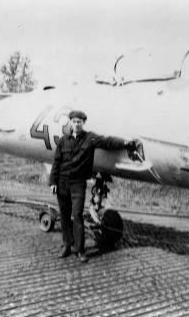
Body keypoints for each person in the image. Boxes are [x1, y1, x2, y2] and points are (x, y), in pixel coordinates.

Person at [49, 110, 137, 263]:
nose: (76, 124)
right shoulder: (63, 141)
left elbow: (107, 142)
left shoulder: (90, 138)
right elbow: (56, 162)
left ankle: (80, 250)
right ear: (70, 122)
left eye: (79, 122)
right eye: (74, 121)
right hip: (62, 183)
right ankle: (66, 245)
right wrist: (52, 182)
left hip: (78, 184)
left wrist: (125, 143)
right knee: (64, 215)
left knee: (77, 216)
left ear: (83, 123)